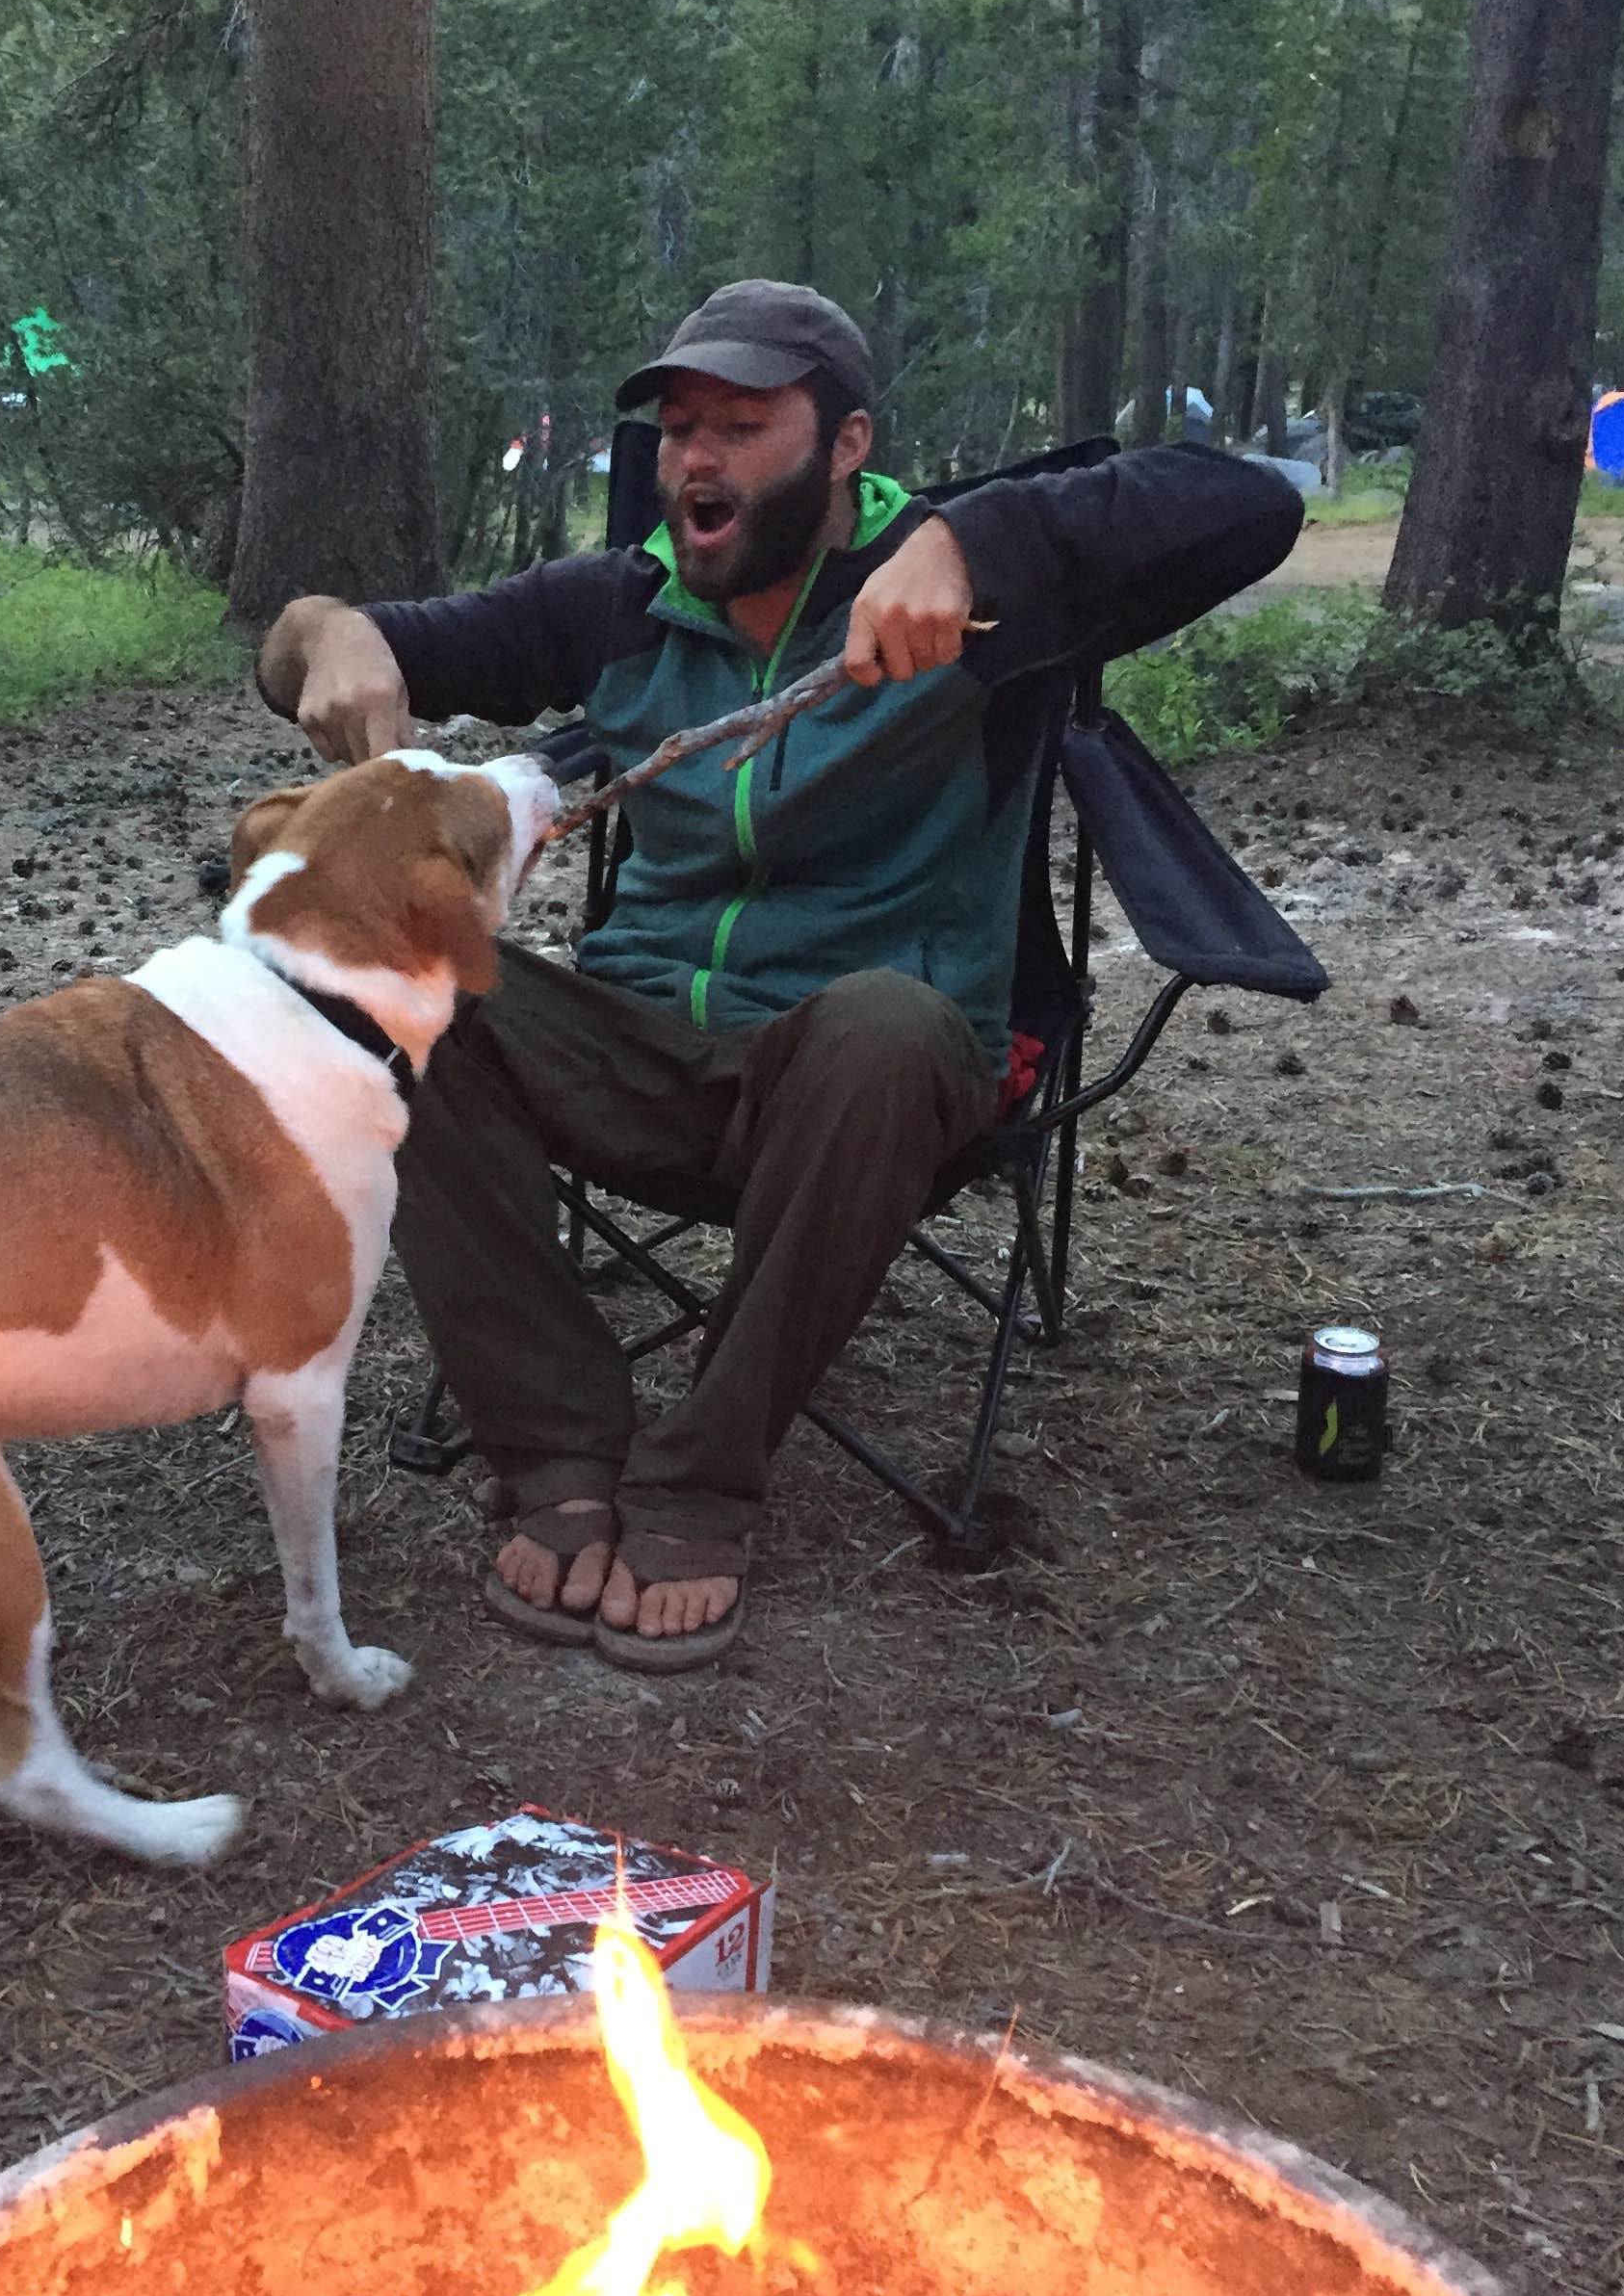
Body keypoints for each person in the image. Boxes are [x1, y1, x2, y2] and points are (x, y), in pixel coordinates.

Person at [256, 279, 1298, 1671]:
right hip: (634, 1045)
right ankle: (558, 1449)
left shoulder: (971, 598)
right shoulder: (620, 607)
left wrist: (972, 546)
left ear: (846, 446)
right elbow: (311, 646)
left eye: (744, 426)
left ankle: (699, 1482)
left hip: (855, 1075)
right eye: (683, 428)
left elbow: (1251, 506)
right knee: (361, 976)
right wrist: (330, 630)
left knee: (883, 1025)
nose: (698, 459)